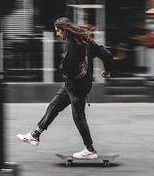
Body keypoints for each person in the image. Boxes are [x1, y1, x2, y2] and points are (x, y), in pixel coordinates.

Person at [16, 17, 113, 159]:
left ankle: (90, 150)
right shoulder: (85, 40)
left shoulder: (73, 43)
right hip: (75, 85)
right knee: (54, 106)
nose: (57, 34)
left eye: (57, 31)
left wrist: (62, 67)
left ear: (64, 30)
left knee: (78, 117)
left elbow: (67, 65)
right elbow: (106, 54)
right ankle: (35, 135)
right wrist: (108, 70)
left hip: (76, 87)